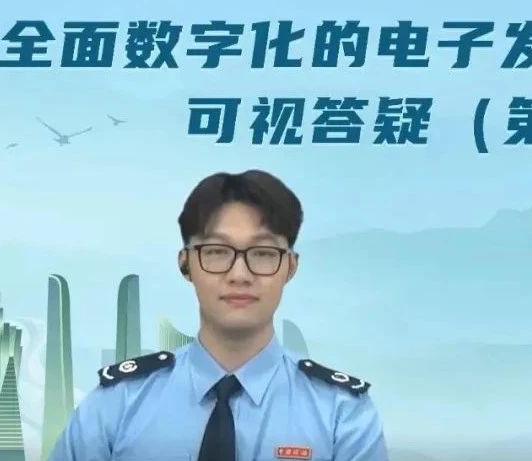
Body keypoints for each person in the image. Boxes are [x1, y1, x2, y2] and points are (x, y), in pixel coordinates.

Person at [48, 170, 389, 461]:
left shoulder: (341, 413)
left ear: (290, 266)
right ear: (186, 264)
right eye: (216, 251)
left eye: (263, 253)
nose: (240, 274)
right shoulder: (118, 403)